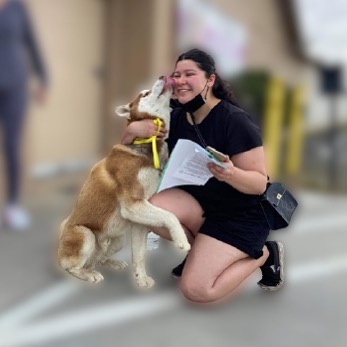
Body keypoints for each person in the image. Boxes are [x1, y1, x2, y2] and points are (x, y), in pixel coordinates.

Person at [121, 48, 284, 304]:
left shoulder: (235, 121)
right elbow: (129, 161)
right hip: (203, 207)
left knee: (197, 290)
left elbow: (258, 184)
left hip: (240, 215)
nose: (181, 80)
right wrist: (132, 131)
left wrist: (231, 174)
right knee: (148, 210)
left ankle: (264, 254)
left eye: (190, 74)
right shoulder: (174, 118)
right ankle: (202, 252)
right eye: (176, 75)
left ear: (210, 79)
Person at [0, 0, 47, 230]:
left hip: (15, 87)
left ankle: (12, 206)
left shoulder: (17, 8)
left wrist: (43, 79)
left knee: (11, 145)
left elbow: (32, 43)